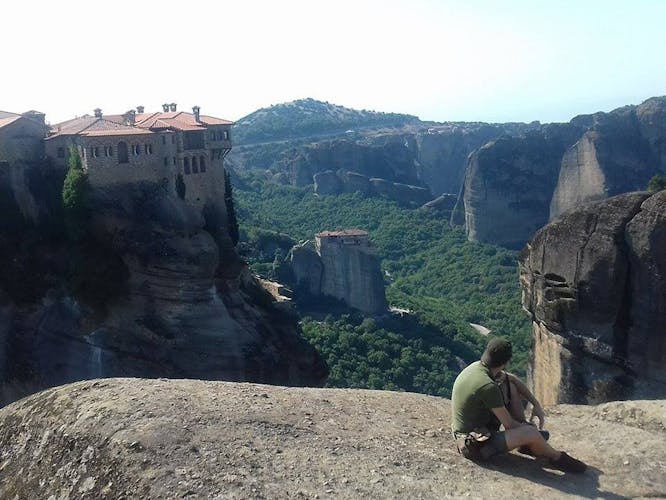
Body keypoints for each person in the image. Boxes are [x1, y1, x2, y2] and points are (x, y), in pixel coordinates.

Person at [451, 337, 587, 473]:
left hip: (476, 430)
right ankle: (556, 457)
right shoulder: (488, 386)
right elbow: (509, 424)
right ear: (506, 362)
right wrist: (528, 430)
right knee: (531, 432)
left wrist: (536, 404)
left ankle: (527, 443)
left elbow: (513, 379)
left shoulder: (478, 367)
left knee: (510, 386)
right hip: (473, 445)